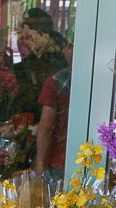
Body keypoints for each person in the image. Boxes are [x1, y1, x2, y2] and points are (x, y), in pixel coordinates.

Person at [0, 8, 67, 171]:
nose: (22, 42)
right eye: (19, 36)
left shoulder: (61, 75)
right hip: (8, 163)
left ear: (45, 39)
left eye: (29, 37)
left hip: (48, 163)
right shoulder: (10, 74)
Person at [34, 42, 74, 184]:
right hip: (93, 158)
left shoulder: (56, 81)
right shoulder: (101, 80)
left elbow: (46, 127)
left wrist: (39, 163)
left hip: (60, 160)